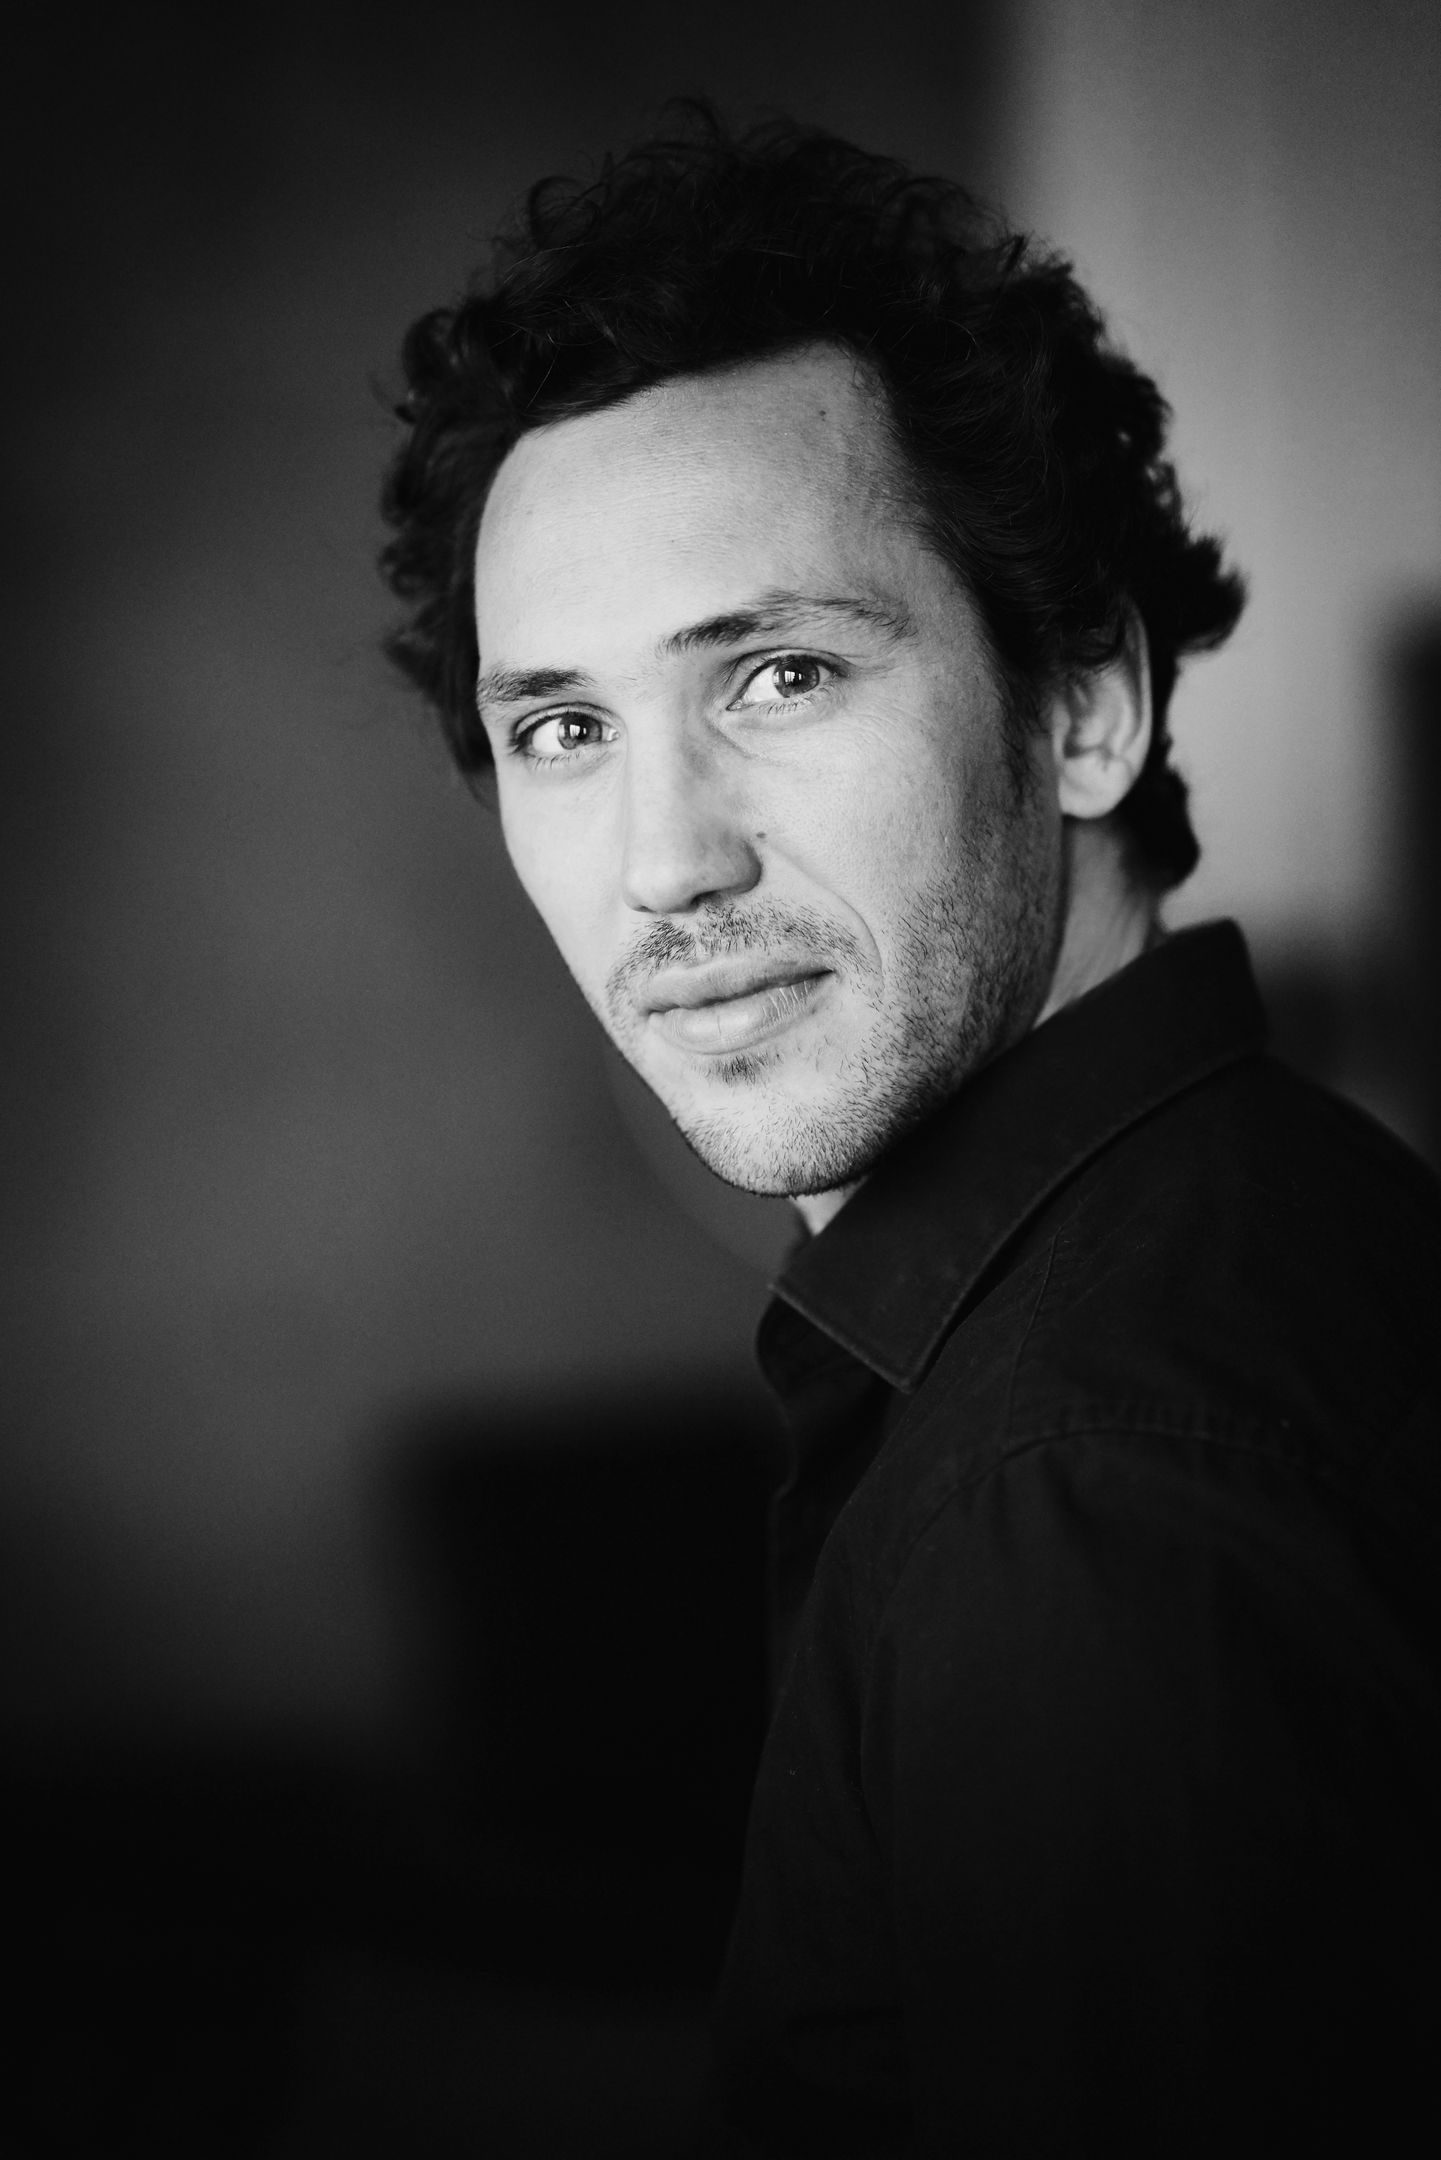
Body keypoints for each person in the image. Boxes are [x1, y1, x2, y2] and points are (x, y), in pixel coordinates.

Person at [379, 110, 1441, 2155]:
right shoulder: (1253, 1230)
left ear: (1082, 704)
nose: (664, 862)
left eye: (777, 674)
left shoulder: (1093, 1493)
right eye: (563, 729)